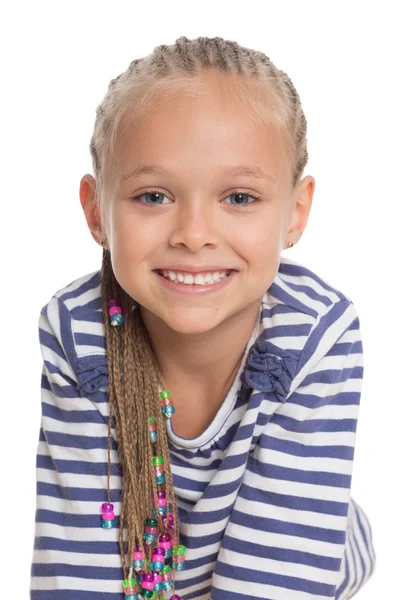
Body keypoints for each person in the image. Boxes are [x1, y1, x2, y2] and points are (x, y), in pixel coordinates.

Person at [30, 35, 376, 600]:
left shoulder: (316, 335)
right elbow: (78, 561)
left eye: (239, 198)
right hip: (166, 575)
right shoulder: (77, 335)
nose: (193, 234)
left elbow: (270, 584)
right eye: (153, 196)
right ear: (96, 211)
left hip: (302, 550)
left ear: (295, 212)